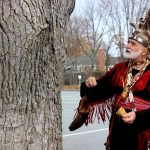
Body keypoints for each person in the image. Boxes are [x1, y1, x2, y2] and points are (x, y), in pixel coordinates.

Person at [69, 10, 150, 150]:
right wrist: (90, 83)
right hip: (117, 135)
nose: (128, 46)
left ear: (145, 51)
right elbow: (100, 90)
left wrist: (138, 117)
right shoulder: (119, 69)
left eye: (133, 44)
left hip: (143, 137)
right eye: (128, 42)